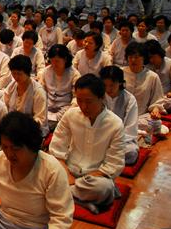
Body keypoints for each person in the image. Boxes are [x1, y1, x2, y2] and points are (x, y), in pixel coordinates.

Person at [0, 112, 73, 229]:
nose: (9, 154)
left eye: (15, 148)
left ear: (32, 145)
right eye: (5, 147)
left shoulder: (51, 169)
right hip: (1, 220)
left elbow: (60, 216)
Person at [50, 74, 125, 214]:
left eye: (89, 101)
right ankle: (79, 199)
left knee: (103, 188)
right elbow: (56, 149)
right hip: (69, 170)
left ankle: (62, 194)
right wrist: (68, 176)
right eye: (79, 100)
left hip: (95, 177)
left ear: (102, 97)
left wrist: (78, 181)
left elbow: (113, 164)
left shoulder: (115, 124)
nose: (83, 106)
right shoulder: (70, 115)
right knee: (42, 171)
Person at [123, 42, 167, 133]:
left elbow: (157, 100)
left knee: (156, 123)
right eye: (130, 57)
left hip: (141, 117)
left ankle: (128, 129)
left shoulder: (152, 76)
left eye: (136, 57)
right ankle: (131, 129)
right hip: (121, 115)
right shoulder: (120, 73)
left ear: (144, 59)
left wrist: (155, 110)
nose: (133, 60)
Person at [100, 66, 139, 165]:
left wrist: (113, 143)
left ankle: (102, 157)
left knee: (131, 153)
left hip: (122, 140)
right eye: (105, 85)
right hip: (100, 137)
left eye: (112, 85)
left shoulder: (130, 99)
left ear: (121, 82)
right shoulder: (99, 96)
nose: (108, 89)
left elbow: (130, 129)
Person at [3, 55, 49, 136]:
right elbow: (6, 107)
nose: (16, 77)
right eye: (14, 73)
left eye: (19, 74)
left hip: (31, 129)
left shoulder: (38, 91)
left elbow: (40, 119)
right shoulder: (12, 86)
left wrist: (22, 126)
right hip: (13, 126)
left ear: (28, 73)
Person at [41, 44, 81, 129]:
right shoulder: (45, 72)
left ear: (65, 59)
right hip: (47, 107)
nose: (54, 64)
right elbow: (41, 93)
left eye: (57, 61)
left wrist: (70, 110)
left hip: (65, 108)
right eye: (52, 61)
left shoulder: (74, 74)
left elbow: (76, 97)